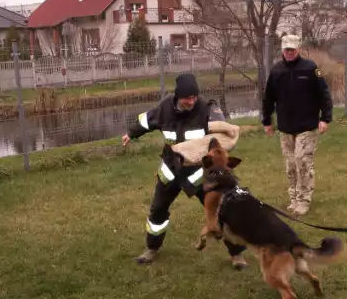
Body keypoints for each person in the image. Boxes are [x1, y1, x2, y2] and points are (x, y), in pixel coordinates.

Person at [122, 72, 248, 270]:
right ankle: (151, 248)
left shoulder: (207, 108)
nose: (191, 101)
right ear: (177, 97)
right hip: (171, 169)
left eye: (194, 97)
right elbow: (146, 121)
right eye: (187, 98)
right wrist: (131, 133)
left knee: (221, 210)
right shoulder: (164, 108)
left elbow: (223, 133)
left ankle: (237, 254)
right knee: (157, 210)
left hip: (200, 172)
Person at [261, 34, 333, 216]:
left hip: (307, 125)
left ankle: (304, 200)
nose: (290, 53)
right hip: (286, 127)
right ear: (283, 51)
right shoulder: (276, 71)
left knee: (302, 161)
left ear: (298, 49)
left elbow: (323, 94)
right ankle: (293, 198)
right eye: (287, 50)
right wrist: (267, 121)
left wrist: (325, 118)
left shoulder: (310, 68)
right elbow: (268, 98)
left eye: (293, 49)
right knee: (291, 164)